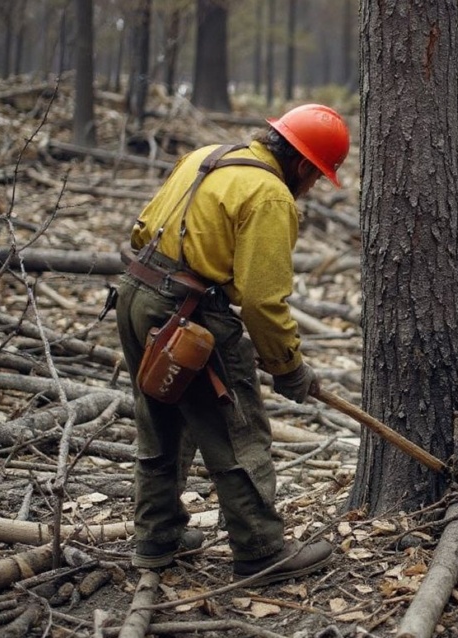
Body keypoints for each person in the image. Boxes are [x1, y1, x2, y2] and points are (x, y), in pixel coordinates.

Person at [116, 104, 349, 582]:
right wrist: (289, 368)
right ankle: (261, 549)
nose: (312, 186)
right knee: (238, 432)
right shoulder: (269, 196)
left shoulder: (205, 157)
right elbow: (263, 302)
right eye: (318, 177)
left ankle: (156, 538)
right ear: (304, 166)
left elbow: (141, 229)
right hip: (190, 316)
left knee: (160, 419)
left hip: (136, 297)